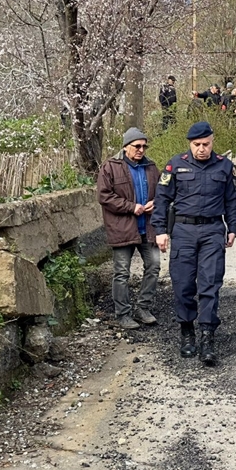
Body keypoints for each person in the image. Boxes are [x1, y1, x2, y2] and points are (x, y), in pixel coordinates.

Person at [152, 122, 236, 366]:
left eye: (206, 144)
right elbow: (161, 199)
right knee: (182, 284)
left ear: (213, 142)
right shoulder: (175, 164)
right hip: (183, 230)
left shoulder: (224, 166)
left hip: (213, 230)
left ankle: (207, 336)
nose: (202, 149)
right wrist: (160, 230)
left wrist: (233, 227)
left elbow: (232, 200)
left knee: (210, 284)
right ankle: (187, 331)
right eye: (197, 145)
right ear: (189, 144)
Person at [96, 127, 161, 329]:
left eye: (144, 146)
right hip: (122, 228)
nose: (141, 150)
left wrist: (155, 202)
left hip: (147, 228)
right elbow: (104, 196)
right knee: (121, 272)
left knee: (154, 266)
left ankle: (143, 307)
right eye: (137, 146)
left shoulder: (151, 167)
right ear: (126, 147)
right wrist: (132, 207)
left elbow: (163, 191)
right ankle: (122, 313)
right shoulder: (110, 167)